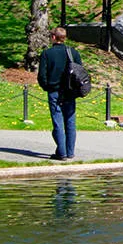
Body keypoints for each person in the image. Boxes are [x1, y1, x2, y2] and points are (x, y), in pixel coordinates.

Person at [37, 27, 82, 161]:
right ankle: (70, 152)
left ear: (53, 37)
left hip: (54, 91)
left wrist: (47, 86)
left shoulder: (47, 54)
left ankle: (61, 152)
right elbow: (80, 73)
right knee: (70, 121)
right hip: (70, 92)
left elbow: (42, 75)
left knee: (58, 122)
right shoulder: (73, 53)